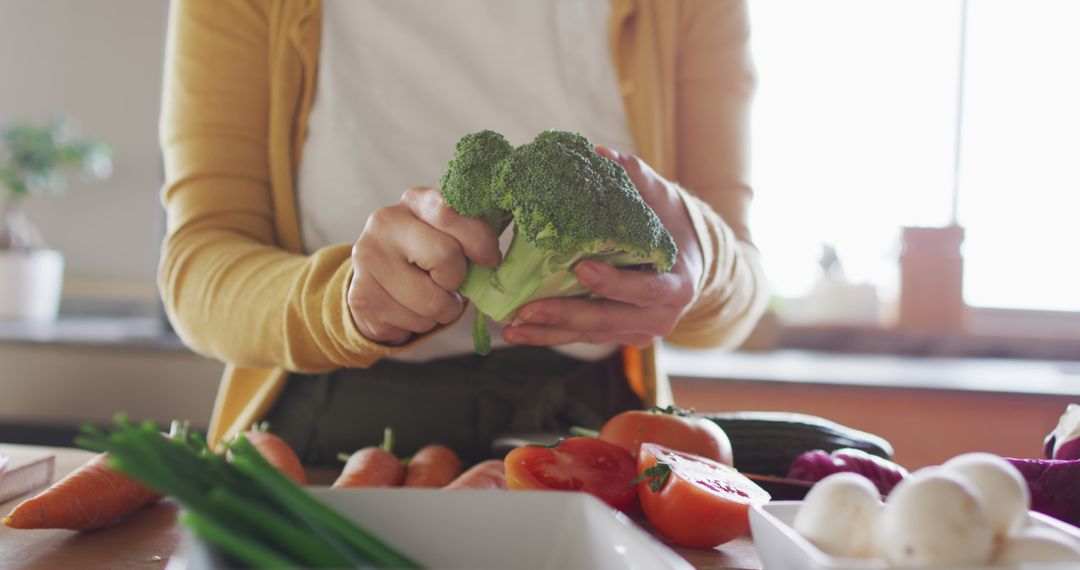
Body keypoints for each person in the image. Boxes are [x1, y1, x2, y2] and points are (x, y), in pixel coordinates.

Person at [159, 0, 767, 465]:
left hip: (593, 429)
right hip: (328, 428)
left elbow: (737, 286)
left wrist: (702, 259)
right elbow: (197, 268)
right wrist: (341, 301)